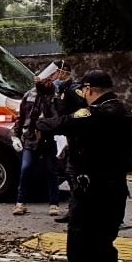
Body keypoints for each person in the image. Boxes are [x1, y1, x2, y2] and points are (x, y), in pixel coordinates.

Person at [36, 69, 132, 262]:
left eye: (84, 91)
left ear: (90, 89)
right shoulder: (122, 111)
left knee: (81, 250)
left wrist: (41, 123)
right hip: (114, 191)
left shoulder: (101, 114)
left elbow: (64, 122)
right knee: (103, 248)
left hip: (93, 193)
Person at [11, 76, 61, 217]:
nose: (46, 83)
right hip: (30, 137)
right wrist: (16, 135)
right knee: (26, 168)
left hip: (49, 137)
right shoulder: (29, 95)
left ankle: (54, 204)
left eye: (48, 81)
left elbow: (59, 116)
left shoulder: (56, 96)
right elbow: (21, 116)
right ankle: (20, 203)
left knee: (51, 170)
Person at [50, 61, 86, 224]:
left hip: (77, 137)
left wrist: (72, 121)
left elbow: (85, 108)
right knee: (70, 173)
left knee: (73, 174)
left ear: (63, 73)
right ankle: (75, 210)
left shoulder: (73, 89)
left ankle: (78, 211)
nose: (53, 77)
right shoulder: (62, 89)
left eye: (54, 73)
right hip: (68, 136)